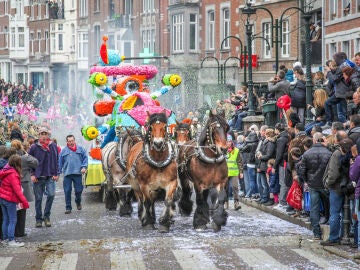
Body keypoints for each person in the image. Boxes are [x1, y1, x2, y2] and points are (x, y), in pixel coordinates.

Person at [297, 132, 332, 240]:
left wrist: (306, 180)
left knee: (314, 208)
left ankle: (317, 232)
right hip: (325, 183)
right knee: (329, 204)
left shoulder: (307, 153)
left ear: (314, 140)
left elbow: (302, 170)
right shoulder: (329, 153)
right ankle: (330, 228)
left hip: (312, 184)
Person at [321, 138, 353, 246]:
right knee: (346, 212)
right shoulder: (351, 155)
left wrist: (327, 183)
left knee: (334, 213)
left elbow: (333, 173)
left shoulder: (336, 154)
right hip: (348, 187)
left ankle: (334, 237)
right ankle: (345, 234)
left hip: (336, 187)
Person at [29, 127, 59, 228]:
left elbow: (56, 159)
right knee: (38, 199)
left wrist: (57, 173)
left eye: (45, 133)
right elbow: (29, 161)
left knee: (51, 195)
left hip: (50, 176)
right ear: (39, 135)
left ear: (48, 135)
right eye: (42, 133)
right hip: (38, 177)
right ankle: (38, 219)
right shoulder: (34, 147)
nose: (44, 135)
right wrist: (32, 174)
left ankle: (47, 216)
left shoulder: (53, 145)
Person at [10, 140, 39, 237]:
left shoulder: (11, 157)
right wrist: (27, 154)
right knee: (22, 208)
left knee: (13, 209)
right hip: (24, 184)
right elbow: (36, 162)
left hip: (12, 184)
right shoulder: (24, 157)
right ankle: (20, 231)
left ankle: (13, 231)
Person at [0, 154, 30, 247]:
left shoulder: (5, 171)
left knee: (6, 219)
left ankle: (5, 239)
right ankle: (11, 240)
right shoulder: (13, 174)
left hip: (2, 198)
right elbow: (18, 191)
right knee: (12, 220)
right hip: (10, 199)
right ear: (18, 163)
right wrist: (25, 202)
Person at [58, 135, 88, 214]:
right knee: (67, 191)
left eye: (72, 141)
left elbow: (85, 158)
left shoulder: (80, 149)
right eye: (69, 141)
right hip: (67, 174)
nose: (71, 142)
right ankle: (68, 207)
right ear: (67, 142)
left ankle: (78, 201)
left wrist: (84, 167)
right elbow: (60, 163)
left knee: (79, 190)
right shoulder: (63, 151)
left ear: (75, 141)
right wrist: (58, 173)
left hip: (78, 173)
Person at [225, 136, 242, 210]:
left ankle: (236, 203)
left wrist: (241, 172)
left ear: (232, 142)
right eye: (227, 141)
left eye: (229, 141)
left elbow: (239, 162)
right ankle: (226, 202)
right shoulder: (222, 150)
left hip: (234, 172)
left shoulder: (237, 150)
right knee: (225, 188)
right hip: (224, 173)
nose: (228, 143)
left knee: (235, 187)